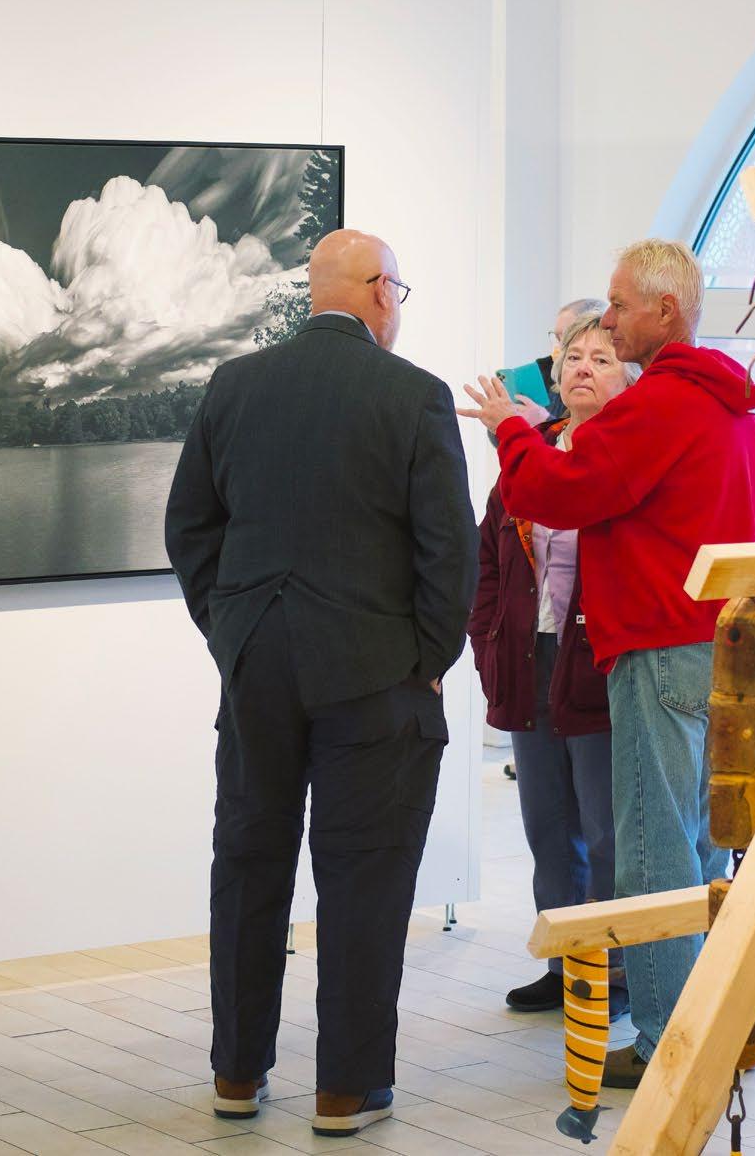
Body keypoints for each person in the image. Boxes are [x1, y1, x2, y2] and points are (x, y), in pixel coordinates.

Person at [165, 228, 473, 1138]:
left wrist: (231, 630)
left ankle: (235, 1072)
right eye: (398, 290)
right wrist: (426, 659)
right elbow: (448, 550)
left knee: (248, 863)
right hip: (375, 673)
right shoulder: (413, 395)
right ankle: (345, 1089)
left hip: (257, 667)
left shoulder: (235, 385)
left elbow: (189, 528)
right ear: (379, 292)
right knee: (364, 877)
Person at [459, 239, 755, 1085]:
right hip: (721, 651)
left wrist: (511, 429)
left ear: (665, 312)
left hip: (658, 646)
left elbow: (558, 492)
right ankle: (709, 1021)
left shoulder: (662, 404)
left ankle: (667, 1038)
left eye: (621, 306)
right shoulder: (731, 409)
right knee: (698, 847)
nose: (608, 320)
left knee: (649, 853)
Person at [468, 307, 640, 1013]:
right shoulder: (531, 449)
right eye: (573, 357)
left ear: (628, 378)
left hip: (597, 662)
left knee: (605, 830)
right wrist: (486, 640)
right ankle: (565, 963)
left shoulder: (629, 453)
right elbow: (489, 555)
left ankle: (616, 972)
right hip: (528, 658)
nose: (583, 369)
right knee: (546, 825)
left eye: (602, 359)